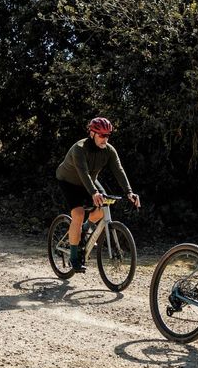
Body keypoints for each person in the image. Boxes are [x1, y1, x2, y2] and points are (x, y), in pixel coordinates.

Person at [55, 117, 141, 273]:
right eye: (102, 135)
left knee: (104, 206)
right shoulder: (79, 148)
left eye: (108, 135)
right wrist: (94, 192)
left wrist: (129, 192)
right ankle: (74, 258)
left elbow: (119, 170)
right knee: (79, 214)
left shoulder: (109, 150)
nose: (105, 139)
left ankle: (85, 230)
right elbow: (84, 173)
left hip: (89, 182)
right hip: (69, 181)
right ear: (92, 133)